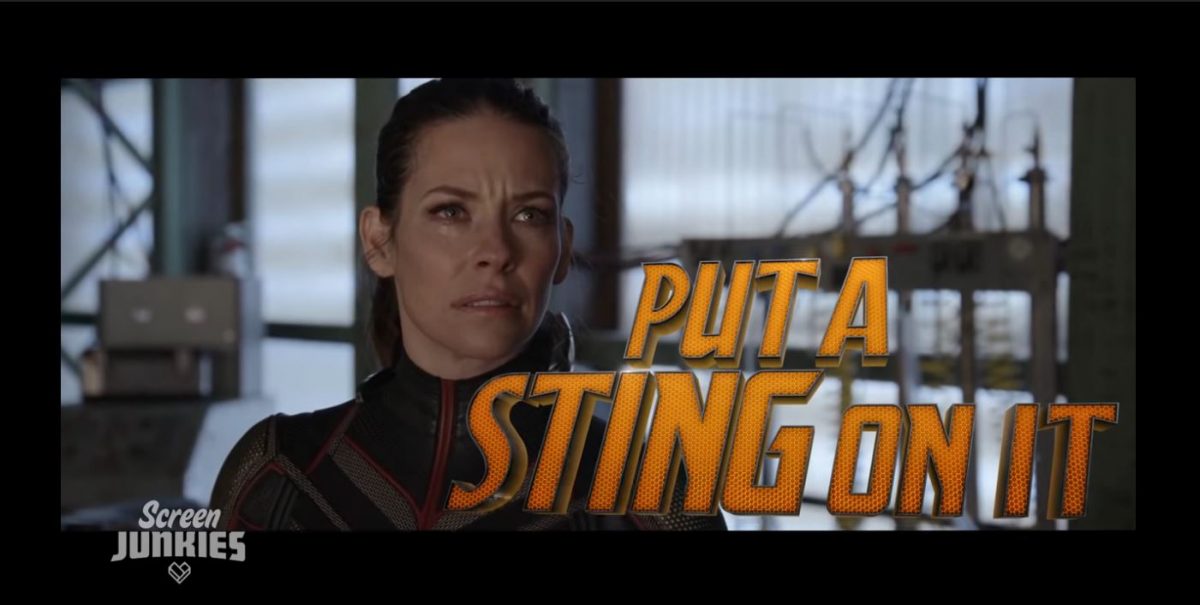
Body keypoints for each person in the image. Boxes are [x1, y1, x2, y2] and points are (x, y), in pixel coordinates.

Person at [210, 79, 726, 531]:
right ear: (379, 241)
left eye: (528, 215)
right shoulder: (278, 471)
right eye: (451, 211)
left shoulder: (650, 492)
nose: (496, 252)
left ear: (563, 249)